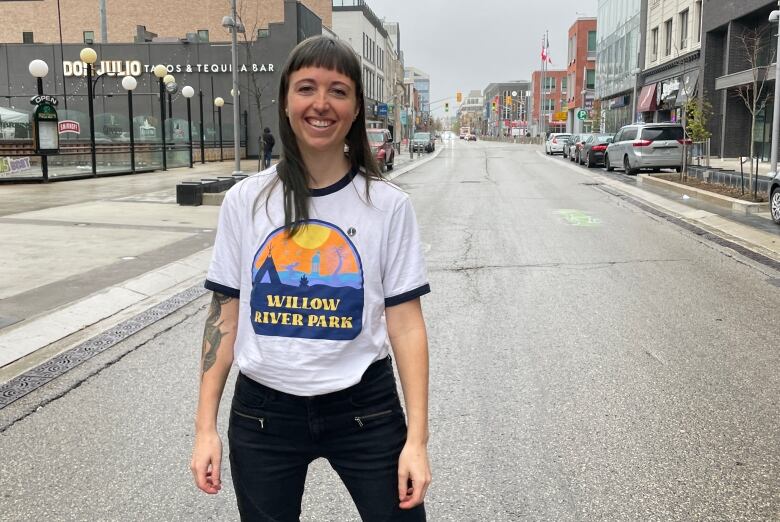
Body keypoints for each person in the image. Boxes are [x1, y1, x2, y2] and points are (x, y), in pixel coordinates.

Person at [191, 35, 432, 522]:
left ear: (356, 106)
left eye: (338, 90)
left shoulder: (387, 205)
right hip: (263, 415)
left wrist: (417, 441)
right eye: (307, 88)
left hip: (365, 408)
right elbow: (225, 314)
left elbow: (406, 325)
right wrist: (205, 428)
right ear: (285, 100)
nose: (321, 104)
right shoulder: (247, 200)